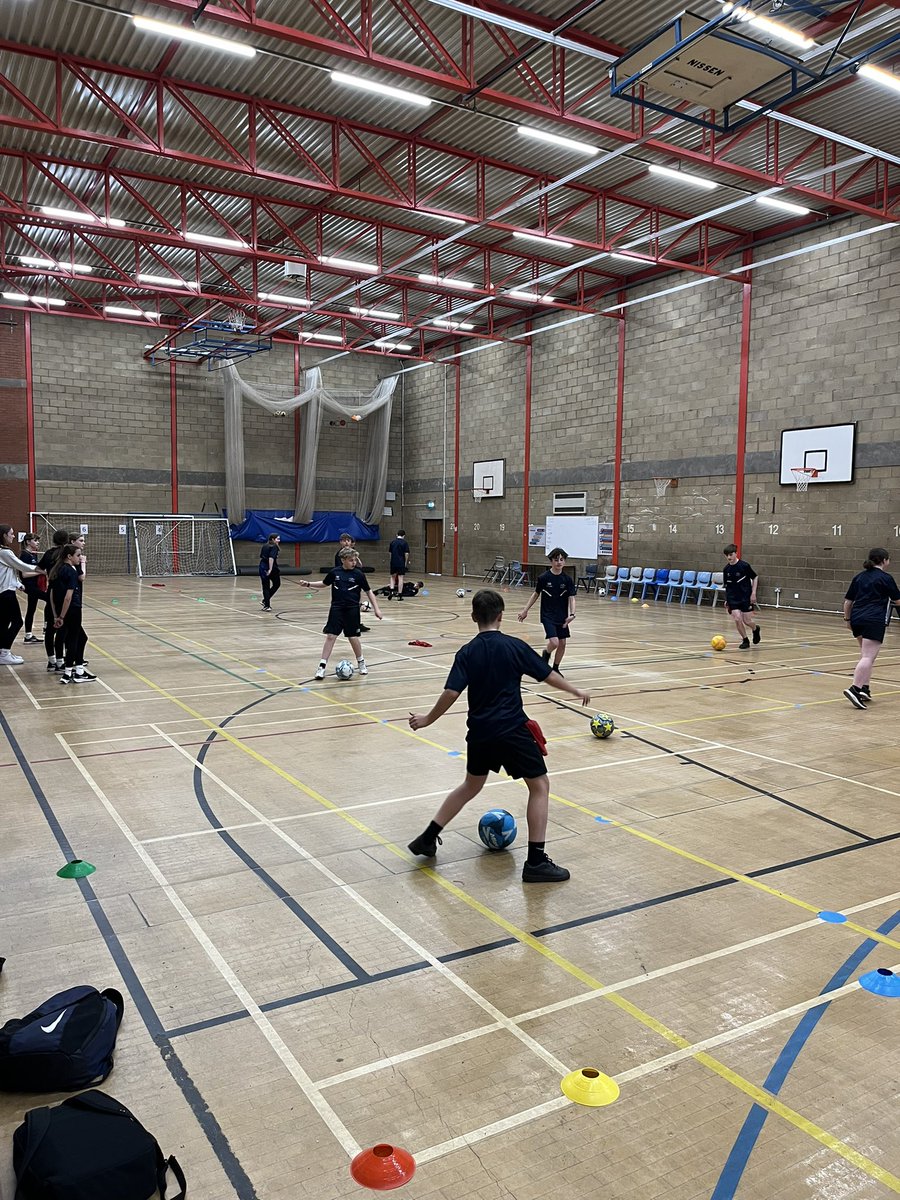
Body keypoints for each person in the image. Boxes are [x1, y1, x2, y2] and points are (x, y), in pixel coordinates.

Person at [407, 588, 591, 884]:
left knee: (470, 785)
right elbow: (546, 674)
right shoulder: (514, 646)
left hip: (480, 733)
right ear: (501, 616)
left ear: (473, 618)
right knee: (540, 786)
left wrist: (427, 719)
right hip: (512, 731)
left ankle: (428, 838)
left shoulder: (466, 652)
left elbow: (451, 693)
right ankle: (535, 862)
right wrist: (575, 690)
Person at [308, 546, 383, 679]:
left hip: (352, 610)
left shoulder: (359, 574)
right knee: (331, 636)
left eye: (355, 560)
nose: (353, 563)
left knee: (353, 637)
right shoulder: (335, 573)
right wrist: (308, 584)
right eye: (350, 560)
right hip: (336, 609)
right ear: (343, 560)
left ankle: (361, 663)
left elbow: (368, 591)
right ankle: (322, 667)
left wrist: (376, 608)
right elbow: (324, 584)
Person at [842, 547, 900, 709]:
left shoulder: (859, 577)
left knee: (866, 656)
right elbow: (898, 600)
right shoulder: (886, 578)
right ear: (884, 560)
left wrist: (848, 619)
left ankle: (864, 688)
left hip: (857, 619)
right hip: (873, 620)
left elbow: (848, 602)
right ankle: (855, 689)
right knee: (868, 657)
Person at [516, 547, 576, 675]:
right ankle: (546, 653)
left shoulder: (567, 580)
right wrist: (525, 610)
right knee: (554, 642)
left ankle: (555, 668)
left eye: (561, 559)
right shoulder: (544, 577)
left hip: (562, 616)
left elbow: (572, 597)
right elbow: (536, 594)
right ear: (551, 561)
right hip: (547, 615)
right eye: (556, 560)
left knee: (563, 643)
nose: (559, 562)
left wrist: (572, 614)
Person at [49, 542, 96, 684]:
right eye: (78, 555)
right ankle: (74, 673)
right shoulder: (71, 571)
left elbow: (50, 595)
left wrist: (56, 614)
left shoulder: (56, 570)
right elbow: (68, 597)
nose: (80, 558)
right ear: (69, 556)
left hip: (60, 611)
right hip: (72, 610)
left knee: (78, 638)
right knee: (76, 639)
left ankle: (71, 672)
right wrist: (62, 616)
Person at [0, 525, 47, 665]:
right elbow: (21, 566)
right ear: (3, 535)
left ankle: (2, 651)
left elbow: (8, 571)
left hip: (7, 590)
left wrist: (17, 584)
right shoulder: (5, 552)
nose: (13, 536)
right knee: (17, 622)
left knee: (4, 623)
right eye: (11, 534)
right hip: (6, 593)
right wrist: (43, 569)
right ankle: (5, 652)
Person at [38, 529, 70, 671]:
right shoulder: (66, 554)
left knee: (50, 629)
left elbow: (38, 568)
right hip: (62, 593)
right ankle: (59, 661)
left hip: (51, 592)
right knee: (62, 628)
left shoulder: (48, 553)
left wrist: (47, 573)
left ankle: (51, 661)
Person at [722, 544, 761, 649]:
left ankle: (755, 629)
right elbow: (727, 586)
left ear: (736, 554)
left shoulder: (744, 566)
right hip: (733, 599)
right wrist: (727, 600)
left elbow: (755, 577)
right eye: (727, 555)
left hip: (745, 597)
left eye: (731, 554)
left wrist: (753, 593)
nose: (729, 557)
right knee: (737, 619)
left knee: (747, 621)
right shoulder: (726, 570)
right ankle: (745, 640)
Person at [335, 534, 370, 631]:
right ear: (340, 542)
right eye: (344, 540)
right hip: (344, 585)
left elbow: (358, 567)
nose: (346, 542)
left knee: (355, 604)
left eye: (348, 540)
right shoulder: (340, 555)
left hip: (354, 584)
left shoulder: (353, 554)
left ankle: (356, 623)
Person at [19, 532, 43, 644]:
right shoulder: (25, 555)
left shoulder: (33, 554)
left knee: (31, 609)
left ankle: (28, 636)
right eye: (35, 540)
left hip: (35, 585)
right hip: (29, 586)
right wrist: (42, 573)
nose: (37, 542)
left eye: (38, 540)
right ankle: (48, 627)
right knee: (51, 598)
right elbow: (24, 574)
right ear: (28, 542)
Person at [258, 534, 281, 612]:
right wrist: (270, 569)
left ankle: (266, 604)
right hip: (270, 567)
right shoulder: (274, 547)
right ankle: (266, 603)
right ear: (273, 539)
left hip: (262, 567)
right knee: (277, 584)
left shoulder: (265, 546)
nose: (279, 540)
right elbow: (271, 558)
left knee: (265, 586)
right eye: (277, 539)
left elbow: (262, 556)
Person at [389, 528, 410, 599]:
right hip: (401, 562)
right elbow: (406, 554)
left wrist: (391, 561)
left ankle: (391, 591)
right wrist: (405, 562)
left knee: (392, 577)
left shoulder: (392, 542)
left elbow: (390, 553)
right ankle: (400, 594)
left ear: (396, 535)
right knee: (400, 577)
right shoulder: (404, 543)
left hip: (393, 562)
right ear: (404, 536)